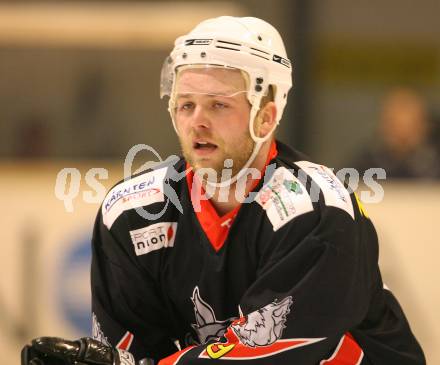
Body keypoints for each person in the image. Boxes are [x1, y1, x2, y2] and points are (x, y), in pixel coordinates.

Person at [22, 16, 425, 365]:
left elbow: (269, 354)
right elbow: (134, 348)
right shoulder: (131, 214)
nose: (197, 122)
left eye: (218, 105)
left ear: (265, 118)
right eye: (185, 105)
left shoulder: (317, 210)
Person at [353, 88, 440, 179]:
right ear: (383, 125)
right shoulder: (366, 162)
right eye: (395, 125)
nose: (403, 135)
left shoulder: (435, 163)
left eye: (411, 126)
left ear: (424, 126)